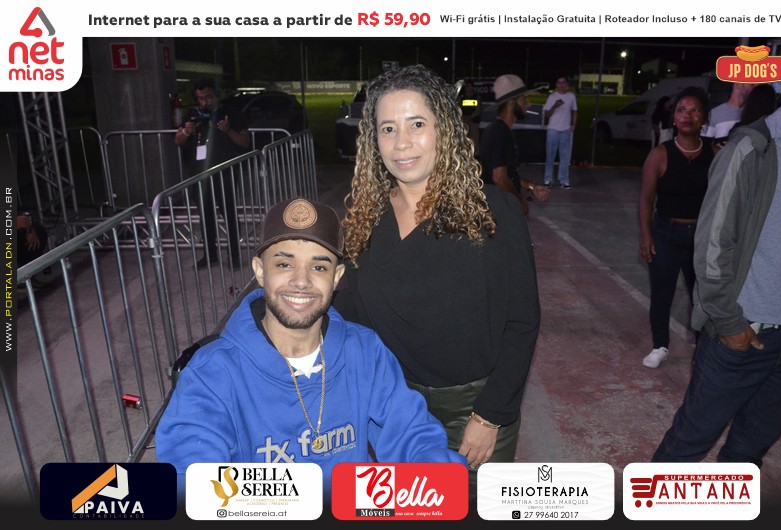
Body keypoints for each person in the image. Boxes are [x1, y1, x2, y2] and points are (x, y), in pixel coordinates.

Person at [155, 197, 465, 502]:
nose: (301, 281)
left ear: (337, 277)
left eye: (318, 266)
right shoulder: (212, 372)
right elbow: (191, 474)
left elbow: (411, 433)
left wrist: (437, 479)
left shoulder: (364, 351)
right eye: (284, 264)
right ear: (260, 271)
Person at [333, 65, 541, 503]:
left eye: (417, 124)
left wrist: (490, 415)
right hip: (394, 410)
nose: (401, 143)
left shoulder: (494, 213)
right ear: (373, 140)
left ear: (444, 129)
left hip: (474, 411)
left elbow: (522, 321)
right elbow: (348, 313)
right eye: (388, 128)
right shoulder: (365, 221)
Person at [651, 37, 781, 466]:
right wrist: (729, 322)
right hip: (745, 333)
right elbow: (713, 243)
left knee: (749, 452)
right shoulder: (753, 147)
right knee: (688, 444)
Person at [638, 86, 714, 369]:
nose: (687, 116)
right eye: (681, 110)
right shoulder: (660, 154)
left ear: (704, 118)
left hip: (702, 238)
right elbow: (646, 198)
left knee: (702, 297)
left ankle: (703, 348)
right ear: (673, 117)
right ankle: (660, 346)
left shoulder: (715, 152)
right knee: (662, 293)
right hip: (666, 234)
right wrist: (646, 235)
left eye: (695, 110)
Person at [175, 77, 250, 268]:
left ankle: (234, 256)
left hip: (225, 172)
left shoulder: (230, 113)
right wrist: (186, 132)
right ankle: (210, 255)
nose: (205, 102)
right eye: (201, 98)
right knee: (205, 214)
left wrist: (228, 130)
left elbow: (245, 142)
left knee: (228, 213)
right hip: (199, 173)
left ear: (216, 95)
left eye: (208, 97)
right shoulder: (193, 115)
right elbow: (178, 140)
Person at [479, 73, 550, 214]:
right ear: (512, 103)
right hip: (499, 209)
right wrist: (518, 202)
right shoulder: (500, 133)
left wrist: (531, 186)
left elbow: (508, 174)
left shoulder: (499, 129)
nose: (528, 104)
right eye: (524, 99)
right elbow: (499, 177)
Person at [542, 76, 578, 189]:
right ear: (556, 84)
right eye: (559, 83)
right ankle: (548, 179)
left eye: (563, 83)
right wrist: (555, 106)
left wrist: (573, 125)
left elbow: (574, 111)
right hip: (553, 130)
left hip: (565, 130)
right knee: (550, 156)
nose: (561, 85)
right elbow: (546, 115)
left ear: (567, 84)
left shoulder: (571, 96)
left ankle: (564, 180)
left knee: (565, 157)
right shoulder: (552, 97)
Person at [701, 82, 754, 149]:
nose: (755, 88)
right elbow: (705, 145)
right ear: (738, 84)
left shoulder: (754, 114)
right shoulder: (713, 114)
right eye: (752, 84)